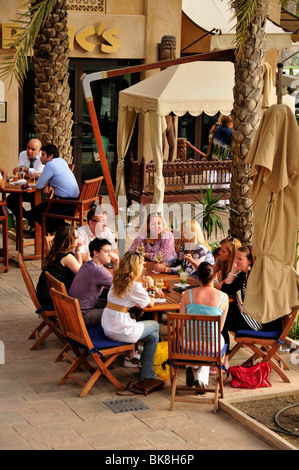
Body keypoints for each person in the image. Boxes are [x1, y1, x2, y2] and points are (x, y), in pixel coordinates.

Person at [101, 251, 161, 379]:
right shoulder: (134, 286)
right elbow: (149, 304)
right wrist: (151, 286)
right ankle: (146, 372)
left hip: (109, 327)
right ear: (136, 267)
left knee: (153, 337)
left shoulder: (117, 280)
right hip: (121, 331)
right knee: (155, 325)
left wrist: (144, 291)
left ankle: (147, 372)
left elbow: (128, 295)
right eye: (141, 265)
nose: (143, 267)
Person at [220, 245, 283, 355]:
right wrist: (233, 271)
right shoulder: (244, 275)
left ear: (249, 261)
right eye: (236, 257)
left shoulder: (257, 277)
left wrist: (243, 307)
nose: (236, 261)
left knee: (221, 319)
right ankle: (223, 355)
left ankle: (224, 357)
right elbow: (226, 290)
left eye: (240, 259)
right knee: (220, 312)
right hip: (250, 315)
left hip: (260, 322)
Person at [180, 262, 228, 392]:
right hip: (211, 346)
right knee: (213, 340)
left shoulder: (187, 294)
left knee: (196, 340)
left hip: (187, 345)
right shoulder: (224, 297)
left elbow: (180, 324)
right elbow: (220, 328)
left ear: (198, 278)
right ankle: (201, 380)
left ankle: (190, 365)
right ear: (215, 276)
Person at [28, 144, 80, 234]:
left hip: (65, 203)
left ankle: (65, 231)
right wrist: (47, 183)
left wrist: (45, 183)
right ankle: (61, 230)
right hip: (77, 202)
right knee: (45, 210)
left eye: (43, 155)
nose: (40, 158)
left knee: (36, 212)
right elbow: (50, 178)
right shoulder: (61, 161)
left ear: (50, 156)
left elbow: (39, 185)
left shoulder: (50, 165)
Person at [69, 238, 119, 327]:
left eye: (110, 251)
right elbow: (119, 286)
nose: (110, 254)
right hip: (83, 315)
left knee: (111, 302)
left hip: (73, 311)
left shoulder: (88, 264)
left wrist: (115, 264)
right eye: (106, 251)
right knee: (120, 311)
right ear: (96, 253)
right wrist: (117, 264)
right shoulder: (99, 270)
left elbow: (113, 283)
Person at [36, 225, 82, 308]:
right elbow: (82, 274)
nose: (78, 238)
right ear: (69, 240)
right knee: (85, 292)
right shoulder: (67, 257)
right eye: (76, 237)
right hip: (52, 299)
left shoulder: (56, 251)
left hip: (43, 294)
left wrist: (77, 250)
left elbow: (79, 269)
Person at [6, 139, 44, 231]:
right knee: (9, 201)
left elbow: (39, 175)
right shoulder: (23, 154)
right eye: (28, 148)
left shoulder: (42, 157)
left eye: (33, 149)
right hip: (25, 188)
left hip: (40, 190)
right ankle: (31, 220)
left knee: (35, 201)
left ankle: (38, 228)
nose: (29, 151)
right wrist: (29, 172)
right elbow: (21, 173)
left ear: (39, 151)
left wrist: (25, 170)